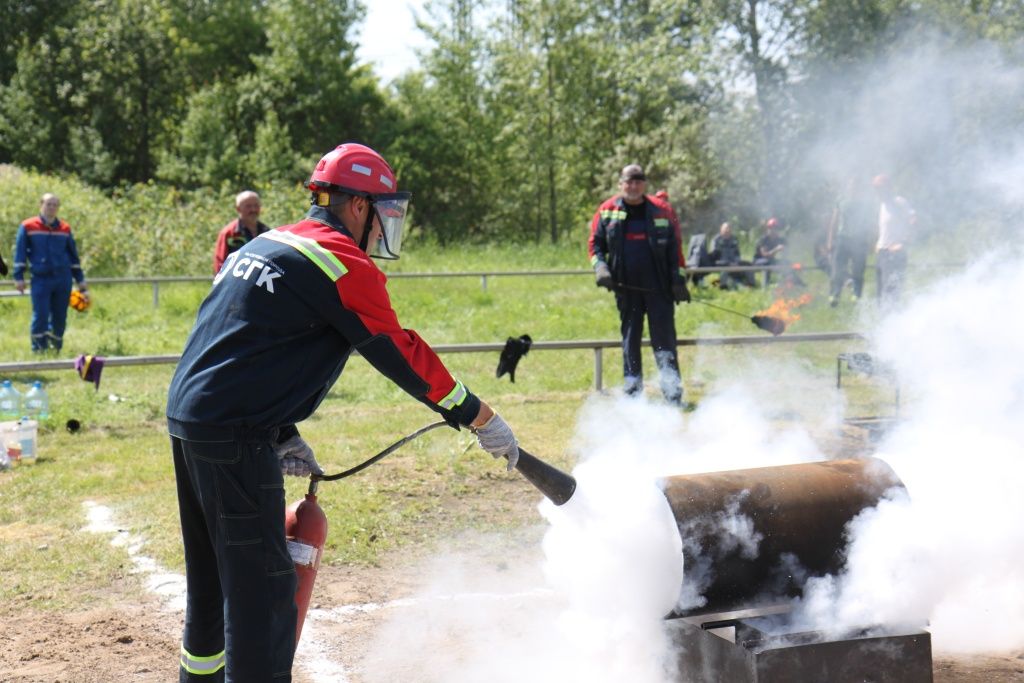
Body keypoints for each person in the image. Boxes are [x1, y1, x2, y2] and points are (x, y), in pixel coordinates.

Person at [166, 143, 520, 682]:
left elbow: (240, 340)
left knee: (212, 583)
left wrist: (282, 430)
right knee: (262, 594)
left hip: (191, 419)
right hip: (235, 434)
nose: (385, 228)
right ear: (358, 205)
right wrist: (479, 416)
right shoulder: (340, 261)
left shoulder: (267, 242)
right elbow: (400, 351)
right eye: (385, 213)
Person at [588, 163, 690, 404]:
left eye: (638, 181)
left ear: (644, 184)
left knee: (664, 340)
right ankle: (633, 392)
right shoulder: (607, 210)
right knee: (630, 340)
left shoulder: (663, 210)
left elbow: (677, 249)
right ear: (620, 183)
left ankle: (672, 392)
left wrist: (679, 281)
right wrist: (601, 268)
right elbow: (595, 244)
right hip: (626, 289)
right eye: (628, 181)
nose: (633, 186)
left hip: (660, 289)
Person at [13, 193, 89, 352]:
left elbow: (73, 256)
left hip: (63, 279)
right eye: (49, 204)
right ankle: (39, 350)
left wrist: (80, 280)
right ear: (41, 205)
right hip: (41, 279)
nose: (52, 207)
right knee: (40, 315)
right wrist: (18, 277)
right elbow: (20, 254)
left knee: (60, 317)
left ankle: (55, 349)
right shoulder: (28, 226)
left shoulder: (65, 228)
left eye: (55, 205)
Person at [827, 176, 876, 306]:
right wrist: (830, 240)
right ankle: (834, 294)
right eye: (851, 185)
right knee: (838, 268)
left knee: (858, 269)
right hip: (843, 238)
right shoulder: (841, 201)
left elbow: (870, 224)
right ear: (848, 187)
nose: (853, 188)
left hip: (859, 240)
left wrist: (872, 241)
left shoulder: (866, 204)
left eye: (856, 186)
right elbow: (834, 221)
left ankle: (856, 294)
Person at [872, 174, 916, 308]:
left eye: (879, 188)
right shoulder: (882, 205)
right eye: (875, 189)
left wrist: (903, 243)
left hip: (894, 254)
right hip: (882, 254)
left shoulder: (898, 202)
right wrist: (878, 244)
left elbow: (913, 221)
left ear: (888, 187)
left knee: (890, 294)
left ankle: (894, 324)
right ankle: (884, 325)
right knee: (880, 297)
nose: (877, 192)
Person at [212, 190, 271, 274]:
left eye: (256, 205)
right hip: (235, 282)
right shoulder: (229, 234)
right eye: (248, 206)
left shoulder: (267, 233)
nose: (253, 209)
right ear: (238, 209)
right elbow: (220, 263)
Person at [709, 222, 755, 289]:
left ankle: (751, 284)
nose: (727, 231)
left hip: (734, 262)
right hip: (720, 263)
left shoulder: (734, 239)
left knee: (748, 264)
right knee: (726, 265)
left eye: (729, 229)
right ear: (721, 230)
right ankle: (723, 285)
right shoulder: (716, 240)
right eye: (725, 229)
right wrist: (728, 263)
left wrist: (736, 262)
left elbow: (737, 254)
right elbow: (714, 256)